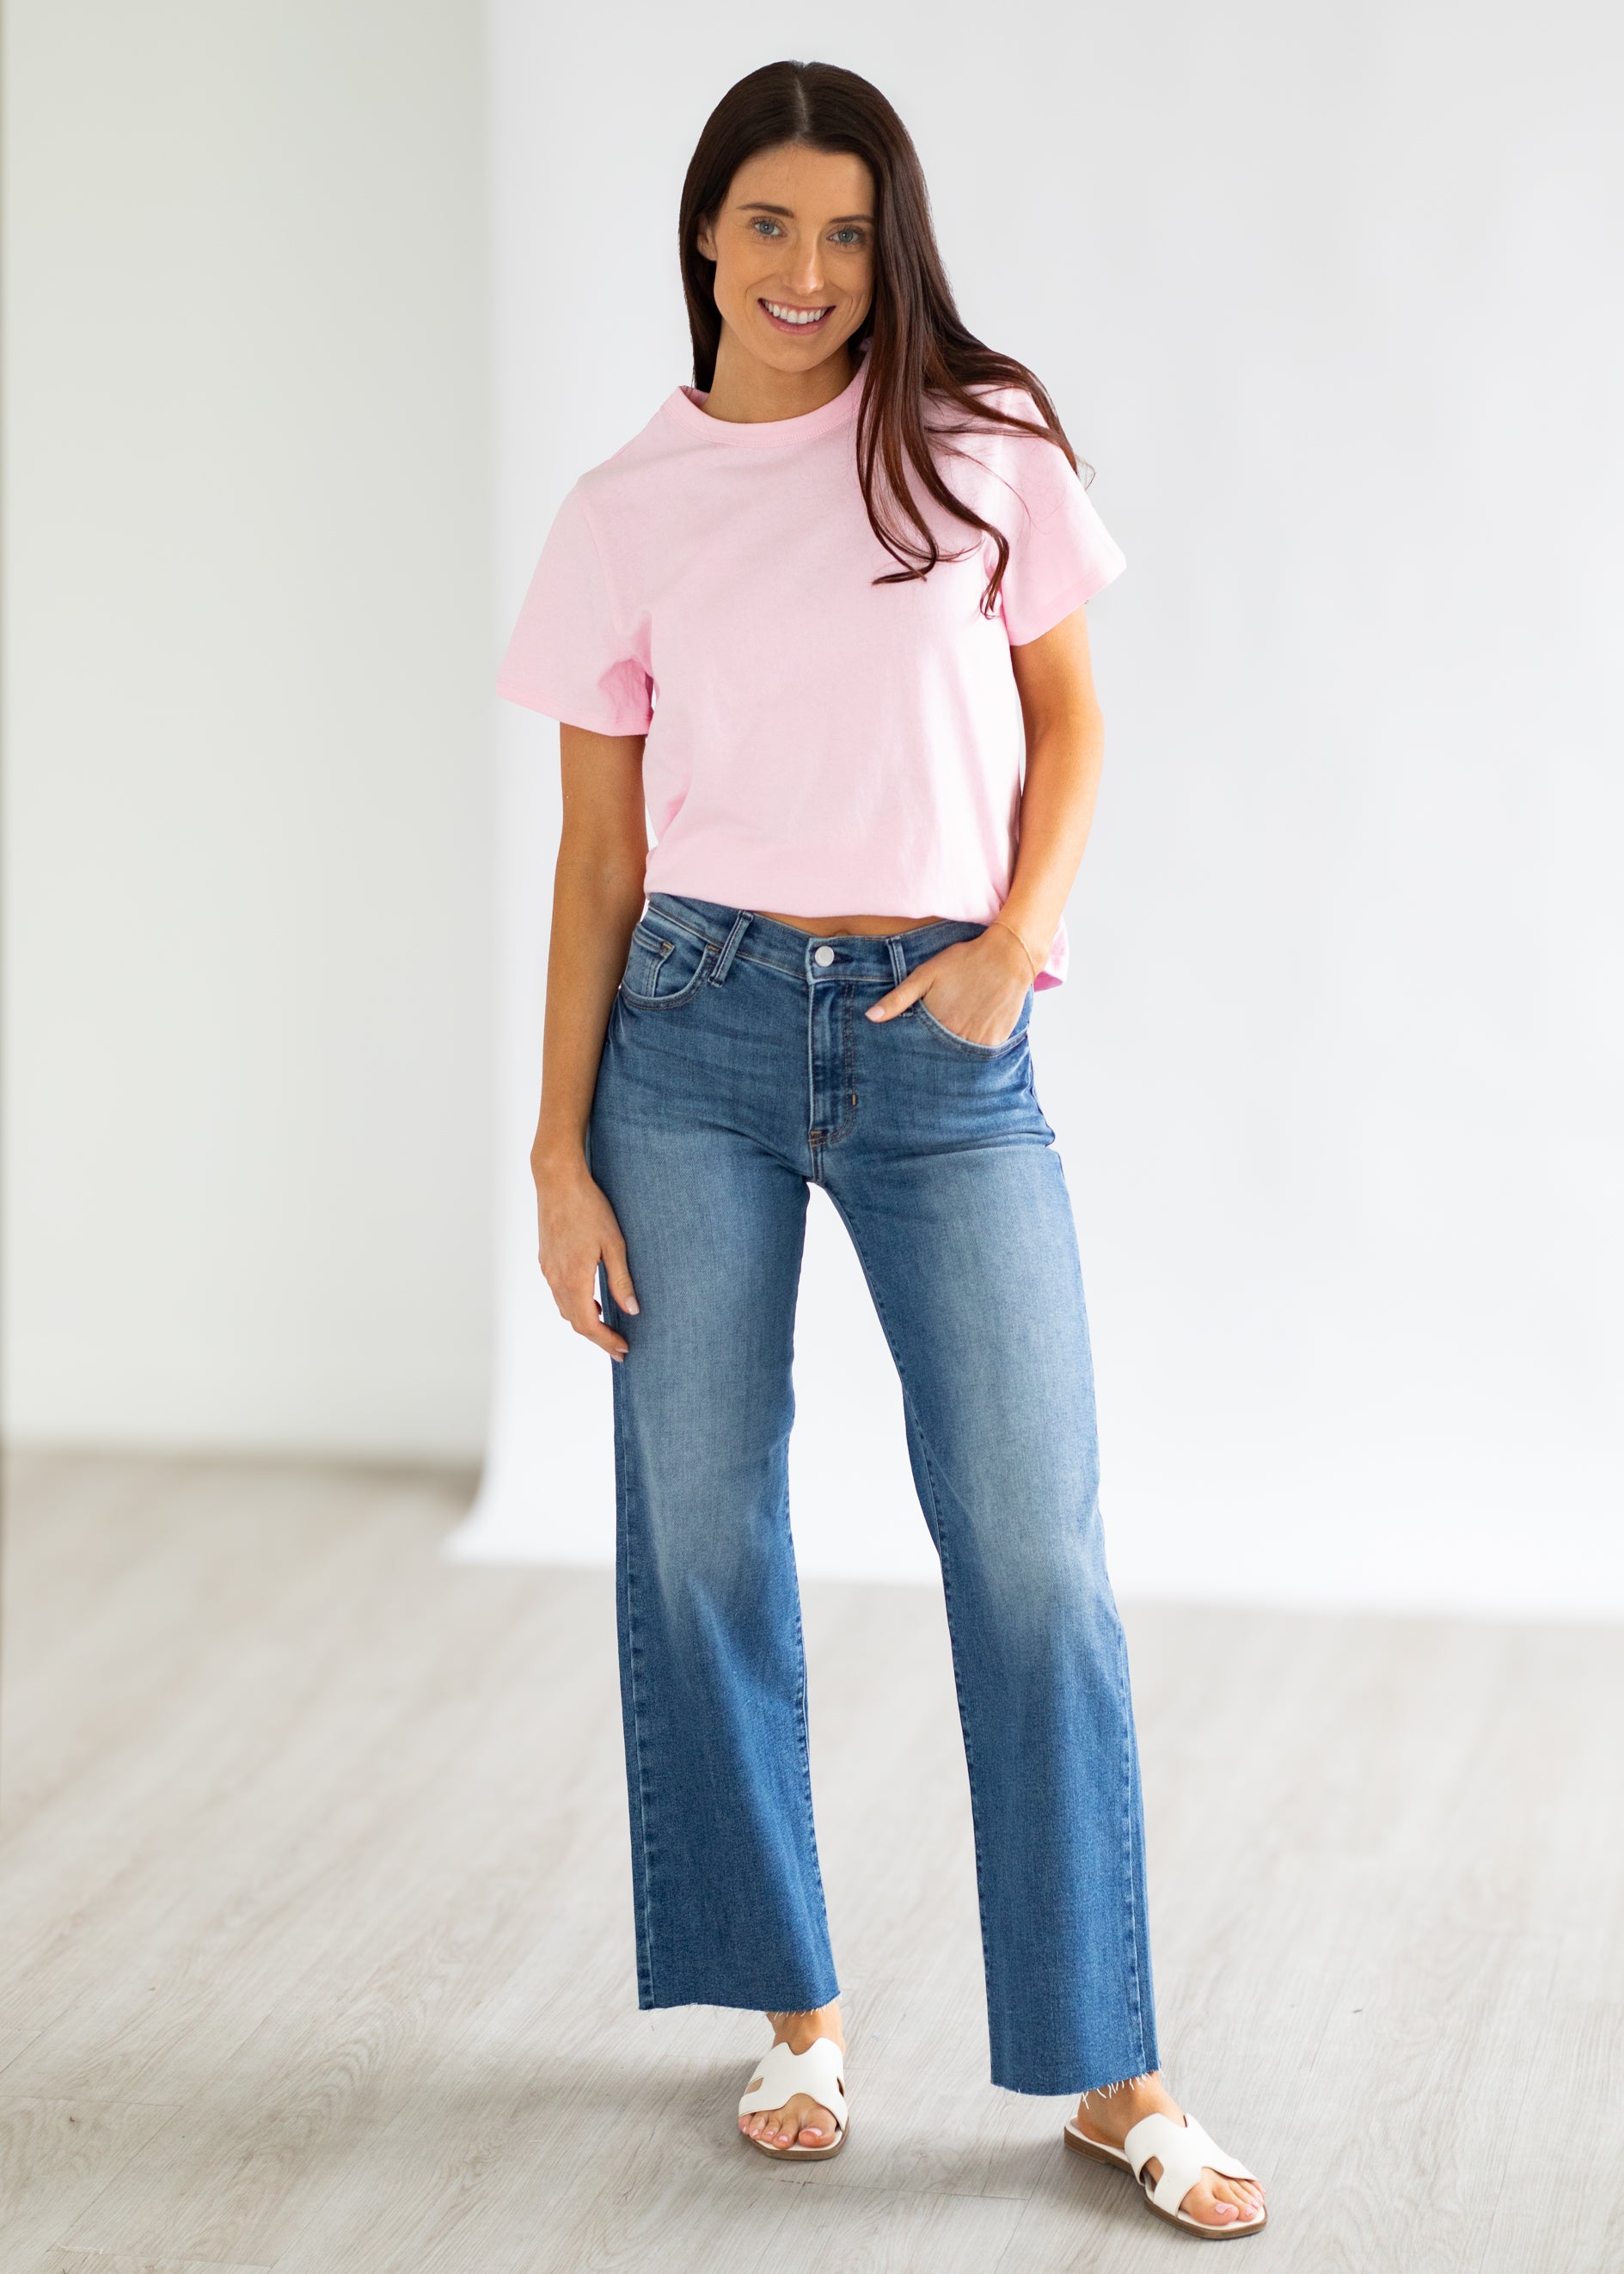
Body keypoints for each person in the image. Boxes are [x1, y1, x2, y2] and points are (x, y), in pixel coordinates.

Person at [498, 57, 1267, 2242]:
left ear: (888, 242)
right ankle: (794, 2014)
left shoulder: (979, 440)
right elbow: (591, 861)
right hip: (694, 1036)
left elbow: (1074, 718)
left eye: (848, 232)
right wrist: (557, 1157)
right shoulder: (624, 505)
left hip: (949, 1037)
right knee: (702, 1531)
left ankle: (1113, 2073)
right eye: (769, 227)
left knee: (1033, 1549)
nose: (810, 273)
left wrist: (1019, 940)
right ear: (705, 237)